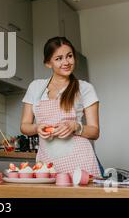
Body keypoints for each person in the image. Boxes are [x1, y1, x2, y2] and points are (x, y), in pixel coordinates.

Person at [21, 36, 102, 177]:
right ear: (48, 63)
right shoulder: (36, 87)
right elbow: (24, 126)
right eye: (58, 58)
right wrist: (36, 127)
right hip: (47, 163)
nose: (66, 62)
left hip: (80, 162)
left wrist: (75, 127)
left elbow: (94, 132)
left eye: (69, 56)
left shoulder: (85, 88)